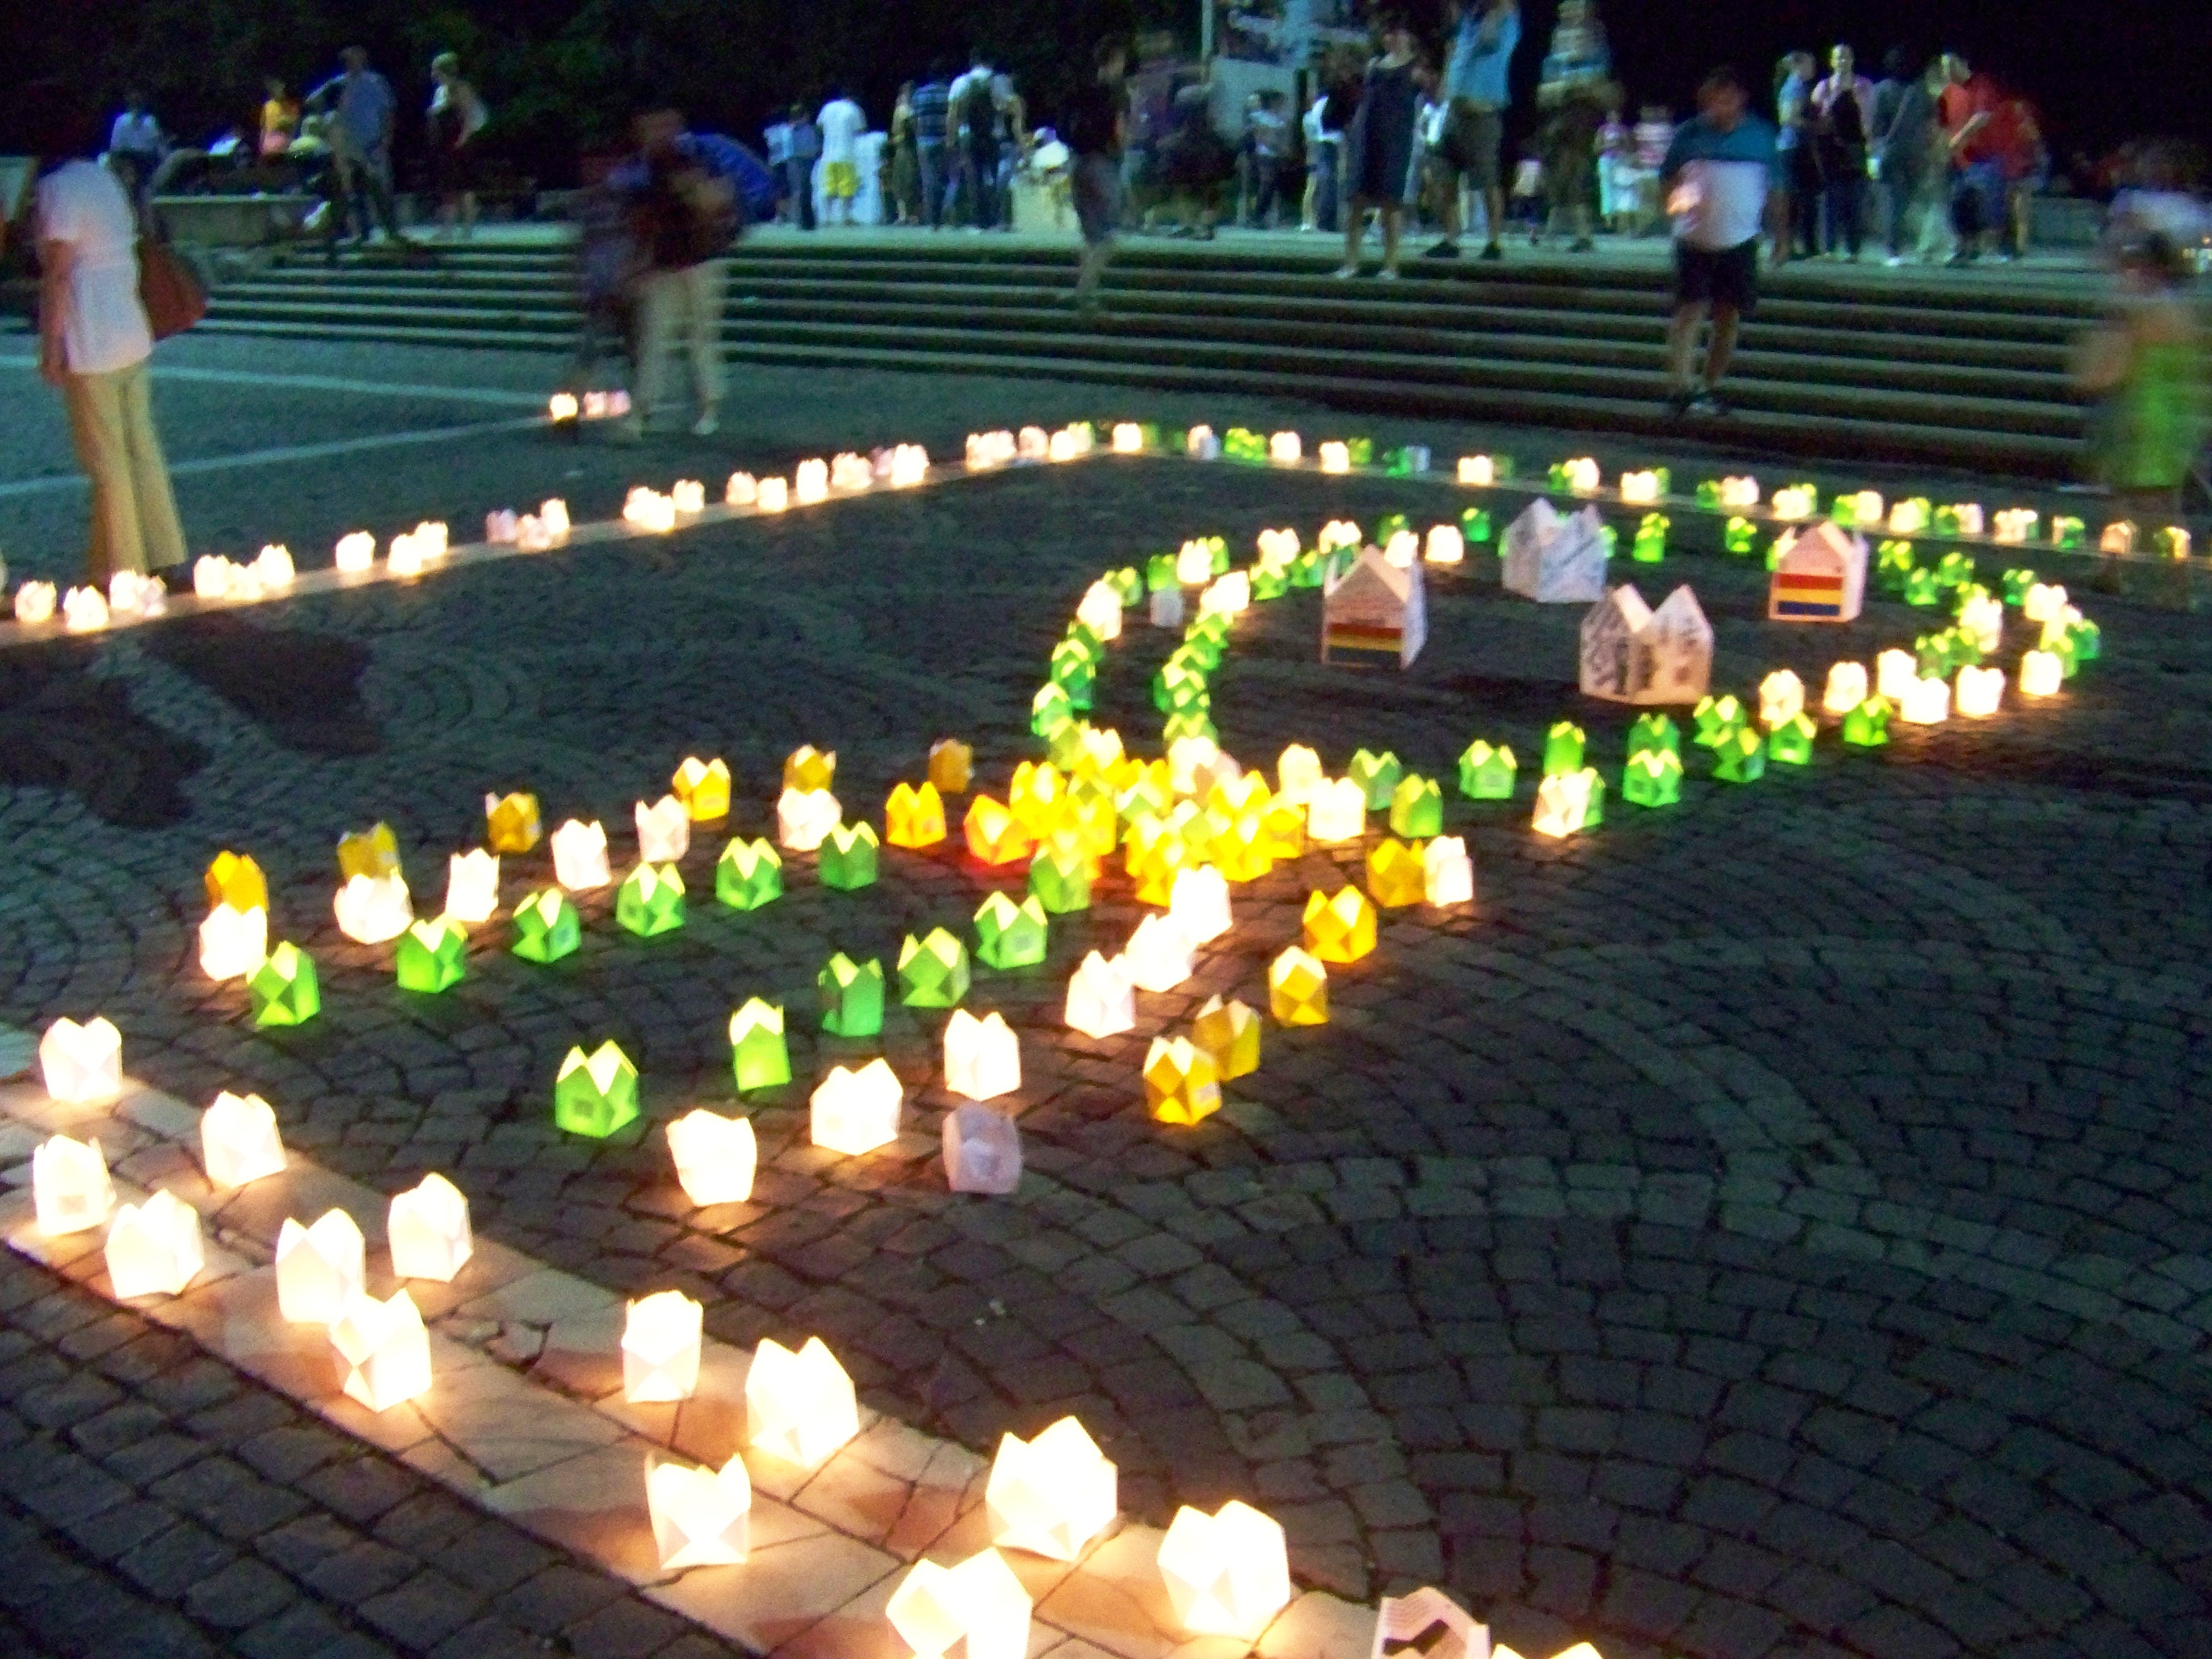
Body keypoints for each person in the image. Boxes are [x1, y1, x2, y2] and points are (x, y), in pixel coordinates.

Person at [28, 81, 189, 585]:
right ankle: (162, 551)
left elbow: (58, 275)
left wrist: (50, 346)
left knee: (107, 458)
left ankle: (121, 566)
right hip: (130, 329)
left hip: (92, 335)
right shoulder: (105, 181)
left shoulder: (57, 190)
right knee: (142, 446)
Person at [2075, 234, 2207, 592]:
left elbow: (2112, 359)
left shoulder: (2146, 309)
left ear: (2152, 267)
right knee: (2138, 498)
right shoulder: (2178, 307)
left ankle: (2178, 580)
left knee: (2155, 503)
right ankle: (2112, 567)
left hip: (2144, 412)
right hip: (2163, 410)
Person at [1660, 64, 1786, 417]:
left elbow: (1776, 188)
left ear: (1740, 99)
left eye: (1727, 98)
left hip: (1741, 241)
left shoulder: (1761, 136)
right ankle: (1680, 387)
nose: (1720, 106)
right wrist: (1675, 206)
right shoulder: (1689, 135)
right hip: (1693, 240)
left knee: (1728, 317)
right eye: (1714, 99)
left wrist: (1781, 236)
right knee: (1689, 311)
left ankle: (1709, 386)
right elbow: (1667, 180)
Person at [623, 108, 738, 439]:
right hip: (674, 262)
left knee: (693, 337)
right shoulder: (653, 168)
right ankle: (648, 410)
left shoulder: (683, 163)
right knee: (663, 338)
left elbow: (712, 203)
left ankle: (703, 408)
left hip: (697, 259)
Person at [1426, 0, 1519, 260]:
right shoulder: (1468, 22)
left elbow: (1489, 37)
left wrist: (1491, 12)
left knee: (1487, 179)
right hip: (1453, 111)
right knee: (1443, 173)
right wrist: (1443, 87)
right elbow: (1455, 52)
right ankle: (1450, 238)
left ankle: (1494, 241)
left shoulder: (1505, 19)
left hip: (1483, 112)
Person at [1339, 13, 1421, 276]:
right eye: (1388, 34)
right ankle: (1351, 262)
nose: (1391, 38)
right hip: (1367, 137)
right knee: (1356, 202)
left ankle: (1390, 264)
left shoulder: (1416, 68)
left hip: (1396, 141)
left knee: (1390, 203)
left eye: (1396, 33)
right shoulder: (1374, 66)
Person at [308, 48, 406, 246]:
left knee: (380, 188)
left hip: (373, 142)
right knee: (356, 190)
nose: (354, 64)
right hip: (350, 145)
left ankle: (391, 231)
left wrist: (386, 139)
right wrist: (330, 113)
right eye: (349, 61)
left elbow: (388, 112)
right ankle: (363, 233)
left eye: (357, 60)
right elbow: (312, 100)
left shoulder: (376, 82)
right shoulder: (339, 83)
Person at [1535, 0, 1611, 250]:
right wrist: (1569, 88)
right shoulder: (1553, 58)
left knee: (1575, 172)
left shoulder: (1595, 49)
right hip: (1557, 121)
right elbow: (1544, 93)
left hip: (1581, 121)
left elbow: (1597, 86)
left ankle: (1581, 234)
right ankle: (1558, 233)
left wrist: (1571, 89)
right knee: (1558, 175)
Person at [1067, 38, 1130, 313]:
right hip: (1103, 163)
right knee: (1108, 237)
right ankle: (1084, 292)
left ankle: (1085, 291)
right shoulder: (1116, 92)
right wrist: (1124, 149)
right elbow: (1119, 130)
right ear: (1115, 60)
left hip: (1077, 162)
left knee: (1091, 236)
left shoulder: (1083, 90)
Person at [1869, 48, 1936, 264]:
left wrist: (1873, 153)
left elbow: (1875, 126)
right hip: (1915, 153)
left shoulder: (1881, 90)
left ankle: (1893, 250)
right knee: (1908, 200)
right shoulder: (1920, 91)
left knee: (1890, 201)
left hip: (1889, 152)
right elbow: (1929, 124)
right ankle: (1914, 244)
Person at [1938, 53, 2002, 263]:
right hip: (1958, 159)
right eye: (1944, 67)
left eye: (1951, 65)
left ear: (1964, 64)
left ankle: (1975, 246)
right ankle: (1964, 246)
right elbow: (1942, 123)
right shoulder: (1949, 92)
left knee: (1977, 204)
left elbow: (1983, 116)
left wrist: (1960, 136)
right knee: (1957, 203)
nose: (1947, 71)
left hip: (1982, 158)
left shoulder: (1981, 86)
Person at [1809, 45, 1871, 259]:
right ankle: (1829, 248)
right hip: (1831, 149)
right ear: (1832, 61)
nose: (1842, 61)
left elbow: (1870, 118)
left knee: (1855, 200)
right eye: (1838, 58)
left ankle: (1854, 249)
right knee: (1831, 199)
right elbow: (1814, 119)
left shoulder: (1864, 86)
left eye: (1846, 57)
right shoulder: (1823, 87)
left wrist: (1870, 145)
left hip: (1857, 147)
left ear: (1852, 60)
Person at [427, 53, 489, 239]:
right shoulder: (440, 91)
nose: (433, 73)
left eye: (436, 69)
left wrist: (462, 139)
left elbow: (467, 114)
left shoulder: (461, 88)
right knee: (447, 186)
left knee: (464, 185)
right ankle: (447, 228)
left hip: (459, 142)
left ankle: (467, 227)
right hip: (444, 143)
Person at [1773, 50, 1817, 256]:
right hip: (1793, 147)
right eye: (1809, 65)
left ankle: (1792, 244)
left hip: (1793, 147)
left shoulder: (1797, 86)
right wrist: (1817, 126)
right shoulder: (1795, 87)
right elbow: (1788, 118)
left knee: (1796, 199)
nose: (1813, 69)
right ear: (1798, 66)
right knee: (1794, 199)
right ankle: (1788, 245)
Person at [816, 87, 866, 226]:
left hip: (828, 154)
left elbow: (819, 126)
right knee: (847, 187)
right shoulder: (853, 109)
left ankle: (827, 217)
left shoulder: (828, 107)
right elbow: (860, 130)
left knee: (829, 186)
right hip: (846, 154)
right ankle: (846, 217)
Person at [107, 91, 167, 204]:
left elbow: (158, 147)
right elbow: (115, 149)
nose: (135, 106)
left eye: (138, 103)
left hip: (146, 162)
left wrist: (163, 160)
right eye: (133, 103)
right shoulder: (121, 121)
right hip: (127, 161)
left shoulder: (150, 122)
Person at [912, 63, 951, 228]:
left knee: (928, 178)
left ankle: (932, 218)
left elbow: (914, 118)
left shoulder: (919, 94)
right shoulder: (948, 92)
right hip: (944, 139)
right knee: (945, 178)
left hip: (924, 140)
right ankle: (943, 214)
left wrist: (917, 135)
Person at [1241, 91, 1287, 228]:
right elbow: (1259, 136)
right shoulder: (1258, 117)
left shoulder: (1279, 118)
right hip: (1262, 155)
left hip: (1275, 155)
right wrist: (1276, 144)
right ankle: (1255, 215)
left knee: (1270, 186)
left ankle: (1261, 216)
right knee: (1264, 184)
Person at [889, 84, 921, 225]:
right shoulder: (905, 110)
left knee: (904, 181)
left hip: (902, 147)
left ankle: (906, 215)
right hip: (905, 148)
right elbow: (908, 127)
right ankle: (908, 215)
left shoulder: (902, 109)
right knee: (906, 181)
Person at [784, 104, 819, 230]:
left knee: (806, 192)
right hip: (797, 162)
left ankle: (808, 221)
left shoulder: (807, 129)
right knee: (800, 192)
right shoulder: (791, 130)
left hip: (804, 162)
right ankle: (801, 221)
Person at [259, 78, 301, 161]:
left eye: (279, 87)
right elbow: (264, 128)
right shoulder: (268, 106)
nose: (278, 90)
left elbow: (295, 125)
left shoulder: (291, 106)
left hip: (286, 148)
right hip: (269, 149)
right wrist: (262, 147)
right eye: (275, 88)